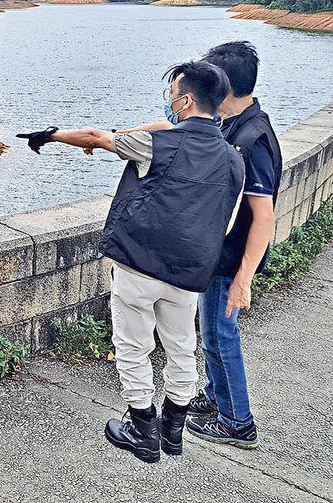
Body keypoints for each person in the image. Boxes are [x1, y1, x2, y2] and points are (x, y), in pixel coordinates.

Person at [17, 60, 245, 463]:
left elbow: (95, 136)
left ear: (186, 99)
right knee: (181, 346)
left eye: (173, 94)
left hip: (140, 264)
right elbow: (223, 223)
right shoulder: (233, 159)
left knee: (133, 345)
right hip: (189, 271)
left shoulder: (158, 145)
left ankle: (141, 429)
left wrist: (49, 135)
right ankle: (173, 431)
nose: (170, 100)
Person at [114, 43, 282, 449]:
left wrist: (243, 280)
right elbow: (179, 134)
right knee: (203, 335)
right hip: (206, 252)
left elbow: (263, 216)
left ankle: (238, 422)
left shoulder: (253, 137)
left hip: (227, 257)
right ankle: (212, 397)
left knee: (219, 334)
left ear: (225, 88)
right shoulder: (228, 123)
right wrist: (123, 137)